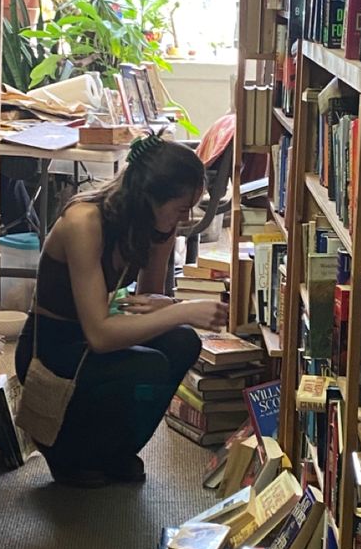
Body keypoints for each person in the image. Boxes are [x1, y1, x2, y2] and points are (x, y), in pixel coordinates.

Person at [15, 132, 229, 487]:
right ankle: (67, 452)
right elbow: (99, 336)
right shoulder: (83, 223)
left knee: (182, 343)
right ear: (148, 198)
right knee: (147, 362)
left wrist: (170, 307)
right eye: (180, 207)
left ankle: (113, 451)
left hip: (100, 333)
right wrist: (183, 310)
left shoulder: (160, 226)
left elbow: (147, 303)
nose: (187, 217)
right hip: (55, 346)